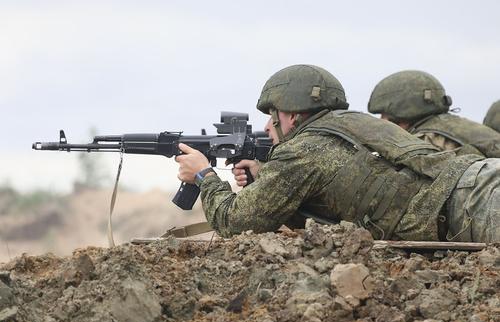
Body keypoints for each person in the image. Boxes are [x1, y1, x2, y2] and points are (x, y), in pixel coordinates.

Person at [175, 65, 500, 243]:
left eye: (273, 112)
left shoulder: (300, 152)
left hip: (468, 207)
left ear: (291, 113)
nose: (268, 123)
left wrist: (204, 175)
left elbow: (234, 223)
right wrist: (266, 177)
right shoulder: (354, 121)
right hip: (480, 175)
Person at [367, 70, 500, 158]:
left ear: (402, 116)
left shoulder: (427, 140)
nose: (382, 122)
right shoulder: (454, 126)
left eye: (386, 116)